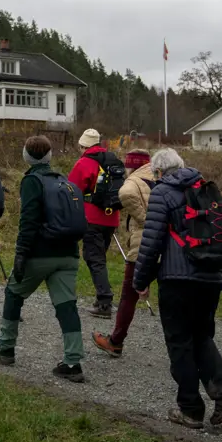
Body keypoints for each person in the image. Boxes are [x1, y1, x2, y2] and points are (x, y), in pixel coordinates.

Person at [133, 148, 222, 429]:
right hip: (212, 276)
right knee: (202, 337)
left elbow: (151, 242)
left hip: (177, 279)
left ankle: (191, 409)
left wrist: (140, 281)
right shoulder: (205, 188)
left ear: (157, 172)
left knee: (180, 342)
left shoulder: (162, 193)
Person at [0, 135, 86, 383]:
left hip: (40, 252)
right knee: (66, 305)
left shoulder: (32, 181)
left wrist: (21, 254)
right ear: (50, 155)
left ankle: (6, 348)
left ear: (26, 156)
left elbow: (28, 221)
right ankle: (73, 362)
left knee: (14, 293)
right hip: (69, 253)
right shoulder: (62, 179)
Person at [92, 149, 152, 357]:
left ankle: (116, 341)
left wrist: (145, 220)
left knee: (129, 294)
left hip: (142, 243)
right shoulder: (162, 176)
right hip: (169, 242)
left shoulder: (132, 182)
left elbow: (125, 195)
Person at [68, 128, 120, 318]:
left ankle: (105, 302)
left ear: (84, 146)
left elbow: (71, 190)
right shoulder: (113, 161)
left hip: (92, 218)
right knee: (99, 257)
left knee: (94, 258)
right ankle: (101, 299)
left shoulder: (84, 163)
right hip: (111, 217)